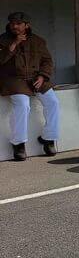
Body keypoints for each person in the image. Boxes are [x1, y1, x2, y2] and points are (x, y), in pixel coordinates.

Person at [1, 12, 58, 160]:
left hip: (35, 79)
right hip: (14, 80)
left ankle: (48, 138)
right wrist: (14, 44)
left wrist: (42, 76)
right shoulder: (3, 39)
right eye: (13, 23)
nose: (15, 26)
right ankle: (19, 144)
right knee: (22, 104)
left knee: (53, 102)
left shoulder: (38, 41)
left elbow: (47, 61)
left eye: (19, 24)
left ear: (27, 25)